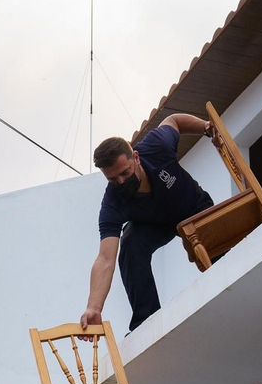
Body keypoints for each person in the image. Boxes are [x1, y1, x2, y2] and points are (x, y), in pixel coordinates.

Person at [81, 116, 217, 332]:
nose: (121, 182)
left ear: (136, 157)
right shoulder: (112, 203)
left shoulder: (156, 146)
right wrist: (93, 307)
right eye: (113, 179)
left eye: (125, 173)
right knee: (130, 243)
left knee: (217, 254)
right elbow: (105, 259)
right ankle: (147, 321)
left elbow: (174, 121)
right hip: (156, 224)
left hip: (192, 206)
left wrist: (206, 127)